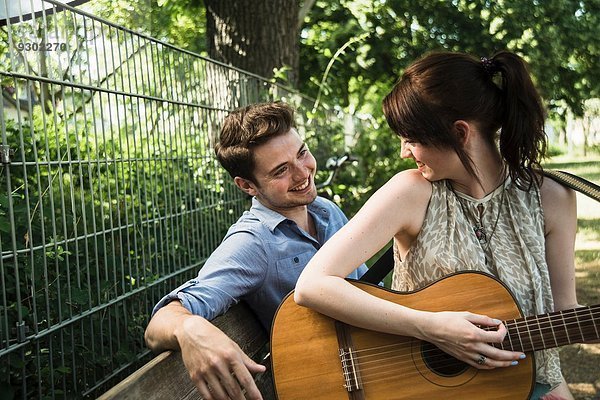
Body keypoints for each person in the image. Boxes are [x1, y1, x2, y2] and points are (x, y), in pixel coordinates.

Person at [295, 50, 578, 400]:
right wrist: (432, 328)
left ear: (460, 133)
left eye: (411, 138)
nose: (404, 152)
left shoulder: (552, 197)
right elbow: (312, 285)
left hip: (520, 387)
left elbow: (563, 314)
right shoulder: (411, 192)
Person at [144, 101, 367, 400]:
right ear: (247, 185)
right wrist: (189, 330)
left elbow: (370, 288)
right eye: (281, 171)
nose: (303, 173)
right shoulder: (252, 242)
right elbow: (159, 323)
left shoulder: (326, 211)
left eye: (302, 153)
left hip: (378, 365)